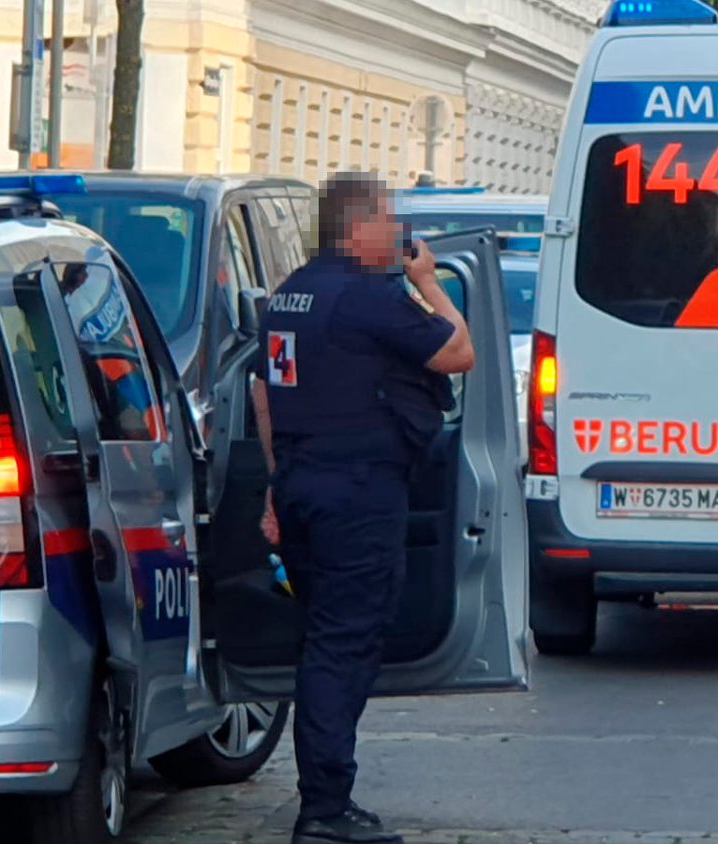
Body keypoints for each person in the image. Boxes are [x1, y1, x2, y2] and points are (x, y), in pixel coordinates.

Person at [250, 172, 474, 844]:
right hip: (356, 492)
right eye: (389, 221)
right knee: (342, 646)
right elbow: (458, 351)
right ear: (357, 227)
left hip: (303, 486)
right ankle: (325, 808)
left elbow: (264, 392)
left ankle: (326, 800)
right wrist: (429, 281)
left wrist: (275, 481)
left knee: (325, 638)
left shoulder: (289, 295)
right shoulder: (370, 295)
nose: (398, 233)